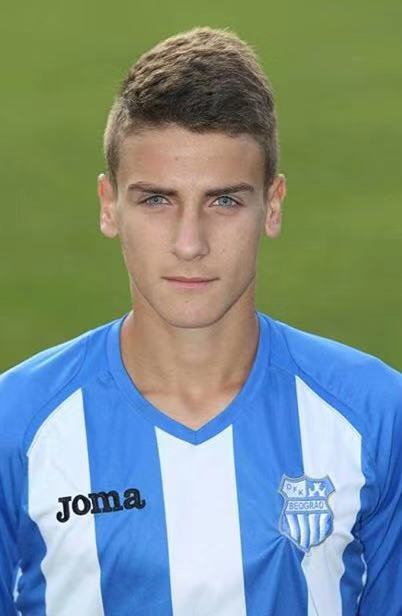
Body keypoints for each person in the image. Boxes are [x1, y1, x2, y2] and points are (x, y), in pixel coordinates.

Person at [0, 25, 401, 616]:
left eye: (224, 200)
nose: (190, 243)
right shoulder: (16, 427)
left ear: (273, 205)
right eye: (157, 200)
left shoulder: (377, 416)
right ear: (109, 206)